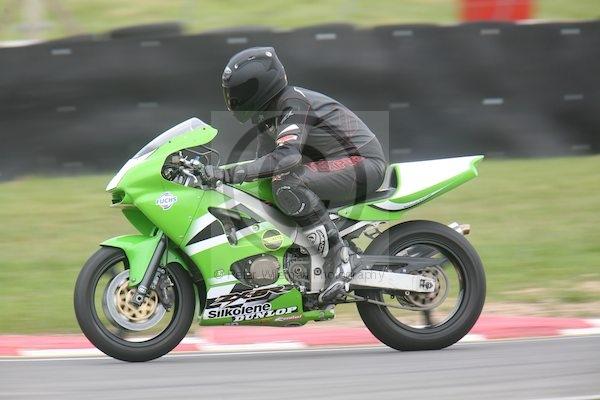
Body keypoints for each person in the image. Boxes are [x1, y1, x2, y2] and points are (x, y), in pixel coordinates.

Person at [204, 47, 386, 303]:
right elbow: (263, 165)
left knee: (287, 182)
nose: (232, 100)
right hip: (338, 164)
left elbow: (288, 158)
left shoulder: (293, 104)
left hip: (363, 162)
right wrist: (220, 178)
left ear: (258, 87)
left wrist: (230, 174)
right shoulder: (269, 116)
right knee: (268, 186)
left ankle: (341, 259)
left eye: (237, 92)